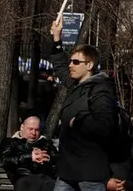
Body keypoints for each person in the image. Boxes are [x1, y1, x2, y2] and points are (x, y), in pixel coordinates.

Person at [51, 15, 117, 191]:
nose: (71, 65)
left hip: (90, 172)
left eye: (76, 62)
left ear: (90, 65)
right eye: (70, 61)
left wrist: (79, 120)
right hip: (67, 170)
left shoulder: (100, 90)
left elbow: (105, 126)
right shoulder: (75, 84)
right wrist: (57, 38)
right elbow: (60, 67)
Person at [0, 116, 58, 191]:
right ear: (22, 127)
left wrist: (47, 158)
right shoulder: (10, 143)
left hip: (46, 179)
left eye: (37, 130)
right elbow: (6, 161)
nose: (33, 133)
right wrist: (30, 157)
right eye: (30, 129)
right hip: (24, 179)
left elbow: (58, 159)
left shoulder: (46, 144)